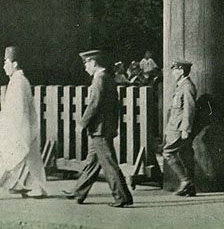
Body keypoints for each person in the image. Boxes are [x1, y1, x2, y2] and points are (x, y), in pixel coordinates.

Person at [62, 50, 133, 207]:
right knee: (92, 163)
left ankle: (122, 197)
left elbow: (94, 104)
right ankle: (79, 192)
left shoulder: (99, 79)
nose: (85, 67)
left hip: (100, 129)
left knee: (108, 164)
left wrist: (82, 123)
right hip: (103, 128)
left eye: (86, 63)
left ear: (93, 63)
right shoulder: (106, 78)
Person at [0, 46, 47, 198]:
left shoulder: (19, 82)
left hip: (20, 127)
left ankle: (35, 188)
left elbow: (19, 110)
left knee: (14, 158)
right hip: (22, 127)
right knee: (29, 160)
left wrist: (9, 127)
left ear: (14, 64)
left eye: (6, 62)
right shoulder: (17, 80)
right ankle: (35, 188)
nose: (4, 66)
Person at [163, 60, 197, 196]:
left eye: (175, 70)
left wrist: (185, 128)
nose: (172, 73)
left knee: (167, 152)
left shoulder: (187, 86)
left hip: (179, 128)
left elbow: (190, 108)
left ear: (181, 71)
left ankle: (185, 181)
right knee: (184, 154)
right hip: (175, 126)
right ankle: (190, 187)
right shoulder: (180, 86)